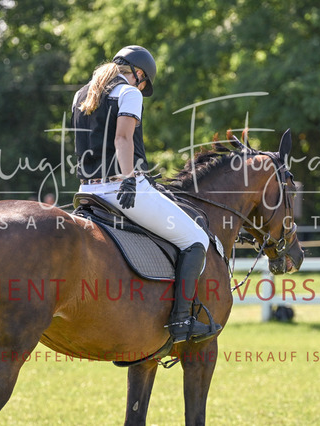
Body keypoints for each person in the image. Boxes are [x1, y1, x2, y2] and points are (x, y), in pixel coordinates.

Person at [71, 45, 221, 343]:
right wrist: (129, 179)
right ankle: (181, 321)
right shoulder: (129, 93)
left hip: (87, 190)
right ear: (138, 73)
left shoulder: (81, 94)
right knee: (196, 240)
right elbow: (122, 138)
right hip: (123, 190)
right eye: (143, 83)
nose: (141, 88)